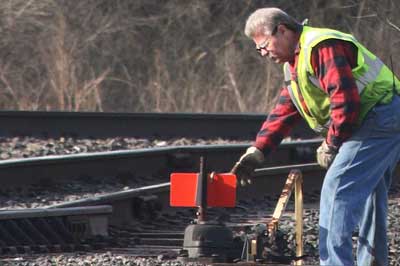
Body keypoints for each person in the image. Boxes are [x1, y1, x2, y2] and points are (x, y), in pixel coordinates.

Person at [231, 7, 400, 266]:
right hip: (381, 116)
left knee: (337, 188)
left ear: (283, 30)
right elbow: (286, 110)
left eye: (264, 45)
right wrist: (258, 150)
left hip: (379, 115)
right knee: (369, 194)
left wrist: (331, 144)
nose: (264, 54)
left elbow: (345, 101)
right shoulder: (295, 64)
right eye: (259, 50)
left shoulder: (321, 47)